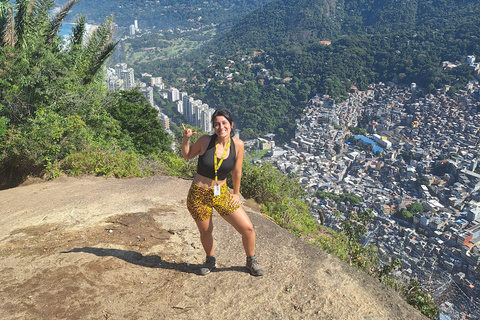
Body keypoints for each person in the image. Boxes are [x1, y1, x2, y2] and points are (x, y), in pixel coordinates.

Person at [181, 108, 264, 276]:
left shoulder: (238, 145)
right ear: (213, 127)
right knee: (206, 231)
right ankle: (210, 260)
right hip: (198, 194)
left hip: (222, 193)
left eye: (224, 123)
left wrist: (236, 193)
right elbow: (187, 155)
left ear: (231, 125)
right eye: (217, 124)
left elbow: (237, 172)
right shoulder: (205, 141)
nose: (221, 127)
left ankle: (251, 260)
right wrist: (186, 139)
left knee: (248, 229)